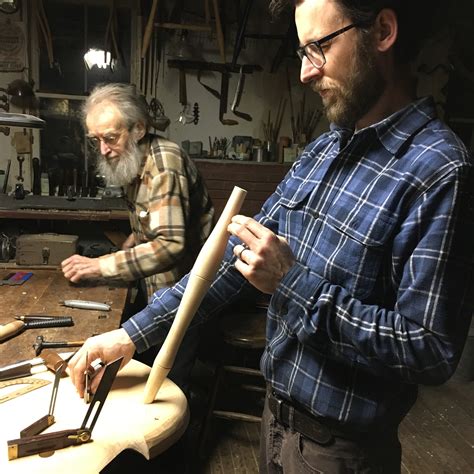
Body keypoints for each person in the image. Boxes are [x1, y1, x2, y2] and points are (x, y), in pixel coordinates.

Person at [68, 2, 474, 472]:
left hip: (340, 451)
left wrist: (290, 282)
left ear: (382, 31)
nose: (304, 72)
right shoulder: (323, 150)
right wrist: (128, 335)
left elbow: (429, 350)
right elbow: (230, 262)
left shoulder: (439, 170)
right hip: (274, 421)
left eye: (318, 48)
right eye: (302, 51)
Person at [62, 83, 214, 391]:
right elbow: (150, 221)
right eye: (97, 140)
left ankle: (173, 437)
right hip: (157, 287)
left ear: (139, 128)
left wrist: (100, 265)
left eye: (110, 137)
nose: (103, 149)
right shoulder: (133, 160)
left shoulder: (164, 165)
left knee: (168, 386)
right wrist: (130, 241)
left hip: (185, 295)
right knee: (145, 370)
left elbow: (170, 245)